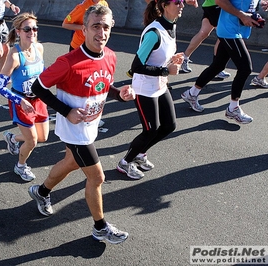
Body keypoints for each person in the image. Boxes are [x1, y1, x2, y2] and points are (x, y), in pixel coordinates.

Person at [28, 5, 133, 244]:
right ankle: (100, 227)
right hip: (74, 130)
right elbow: (38, 87)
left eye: (105, 26)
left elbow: (103, 87)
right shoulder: (68, 62)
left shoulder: (111, 56)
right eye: (95, 26)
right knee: (97, 177)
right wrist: (66, 111)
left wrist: (120, 94)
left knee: (70, 162)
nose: (101, 32)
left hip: (90, 126)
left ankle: (41, 191)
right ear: (83, 29)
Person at [117, 0, 183, 180]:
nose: (182, 4)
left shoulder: (171, 26)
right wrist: (165, 70)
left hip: (160, 84)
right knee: (150, 130)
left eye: (182, 1)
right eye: (177, 2)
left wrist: (171, 60)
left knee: (169, 125)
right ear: (164, 5)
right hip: (145, 87)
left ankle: (140, 153)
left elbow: (157, 56)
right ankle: (125, 162)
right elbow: (136, 66)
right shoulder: (154, 33)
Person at [181, 0, 268, 122]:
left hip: (238, 30)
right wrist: (242, 15)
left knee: (218, 65)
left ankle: (191, 93)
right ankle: (233, 108)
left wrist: (261, 3)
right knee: (245, 68)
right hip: (229, 30)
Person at [0, 12, 49, 182]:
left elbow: (42, 73)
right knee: (32, 141)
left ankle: (12, 137)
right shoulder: (14, 55)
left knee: (43, 137)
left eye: (35, 28)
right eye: (27, 29)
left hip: (38, 101)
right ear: (18, 31)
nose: (32, 32)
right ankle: (20, 166)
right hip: (20, 102)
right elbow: (0, 87)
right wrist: (21, 101)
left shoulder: (39, 48)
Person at [62, 0, 108, 128]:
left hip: (94, 48)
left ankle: (90, 114)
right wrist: (86, 28)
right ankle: (72, 111)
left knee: (93, 82)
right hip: (78, 48)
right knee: (79, 83)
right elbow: (65, 24)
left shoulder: (104, 3)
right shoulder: (82, 7)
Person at [179, 0, 231, 79]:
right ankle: (217, 68)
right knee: (223, 36)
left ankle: (184, 57)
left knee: (203, 33)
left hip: (210, 5)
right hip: (217, 5)